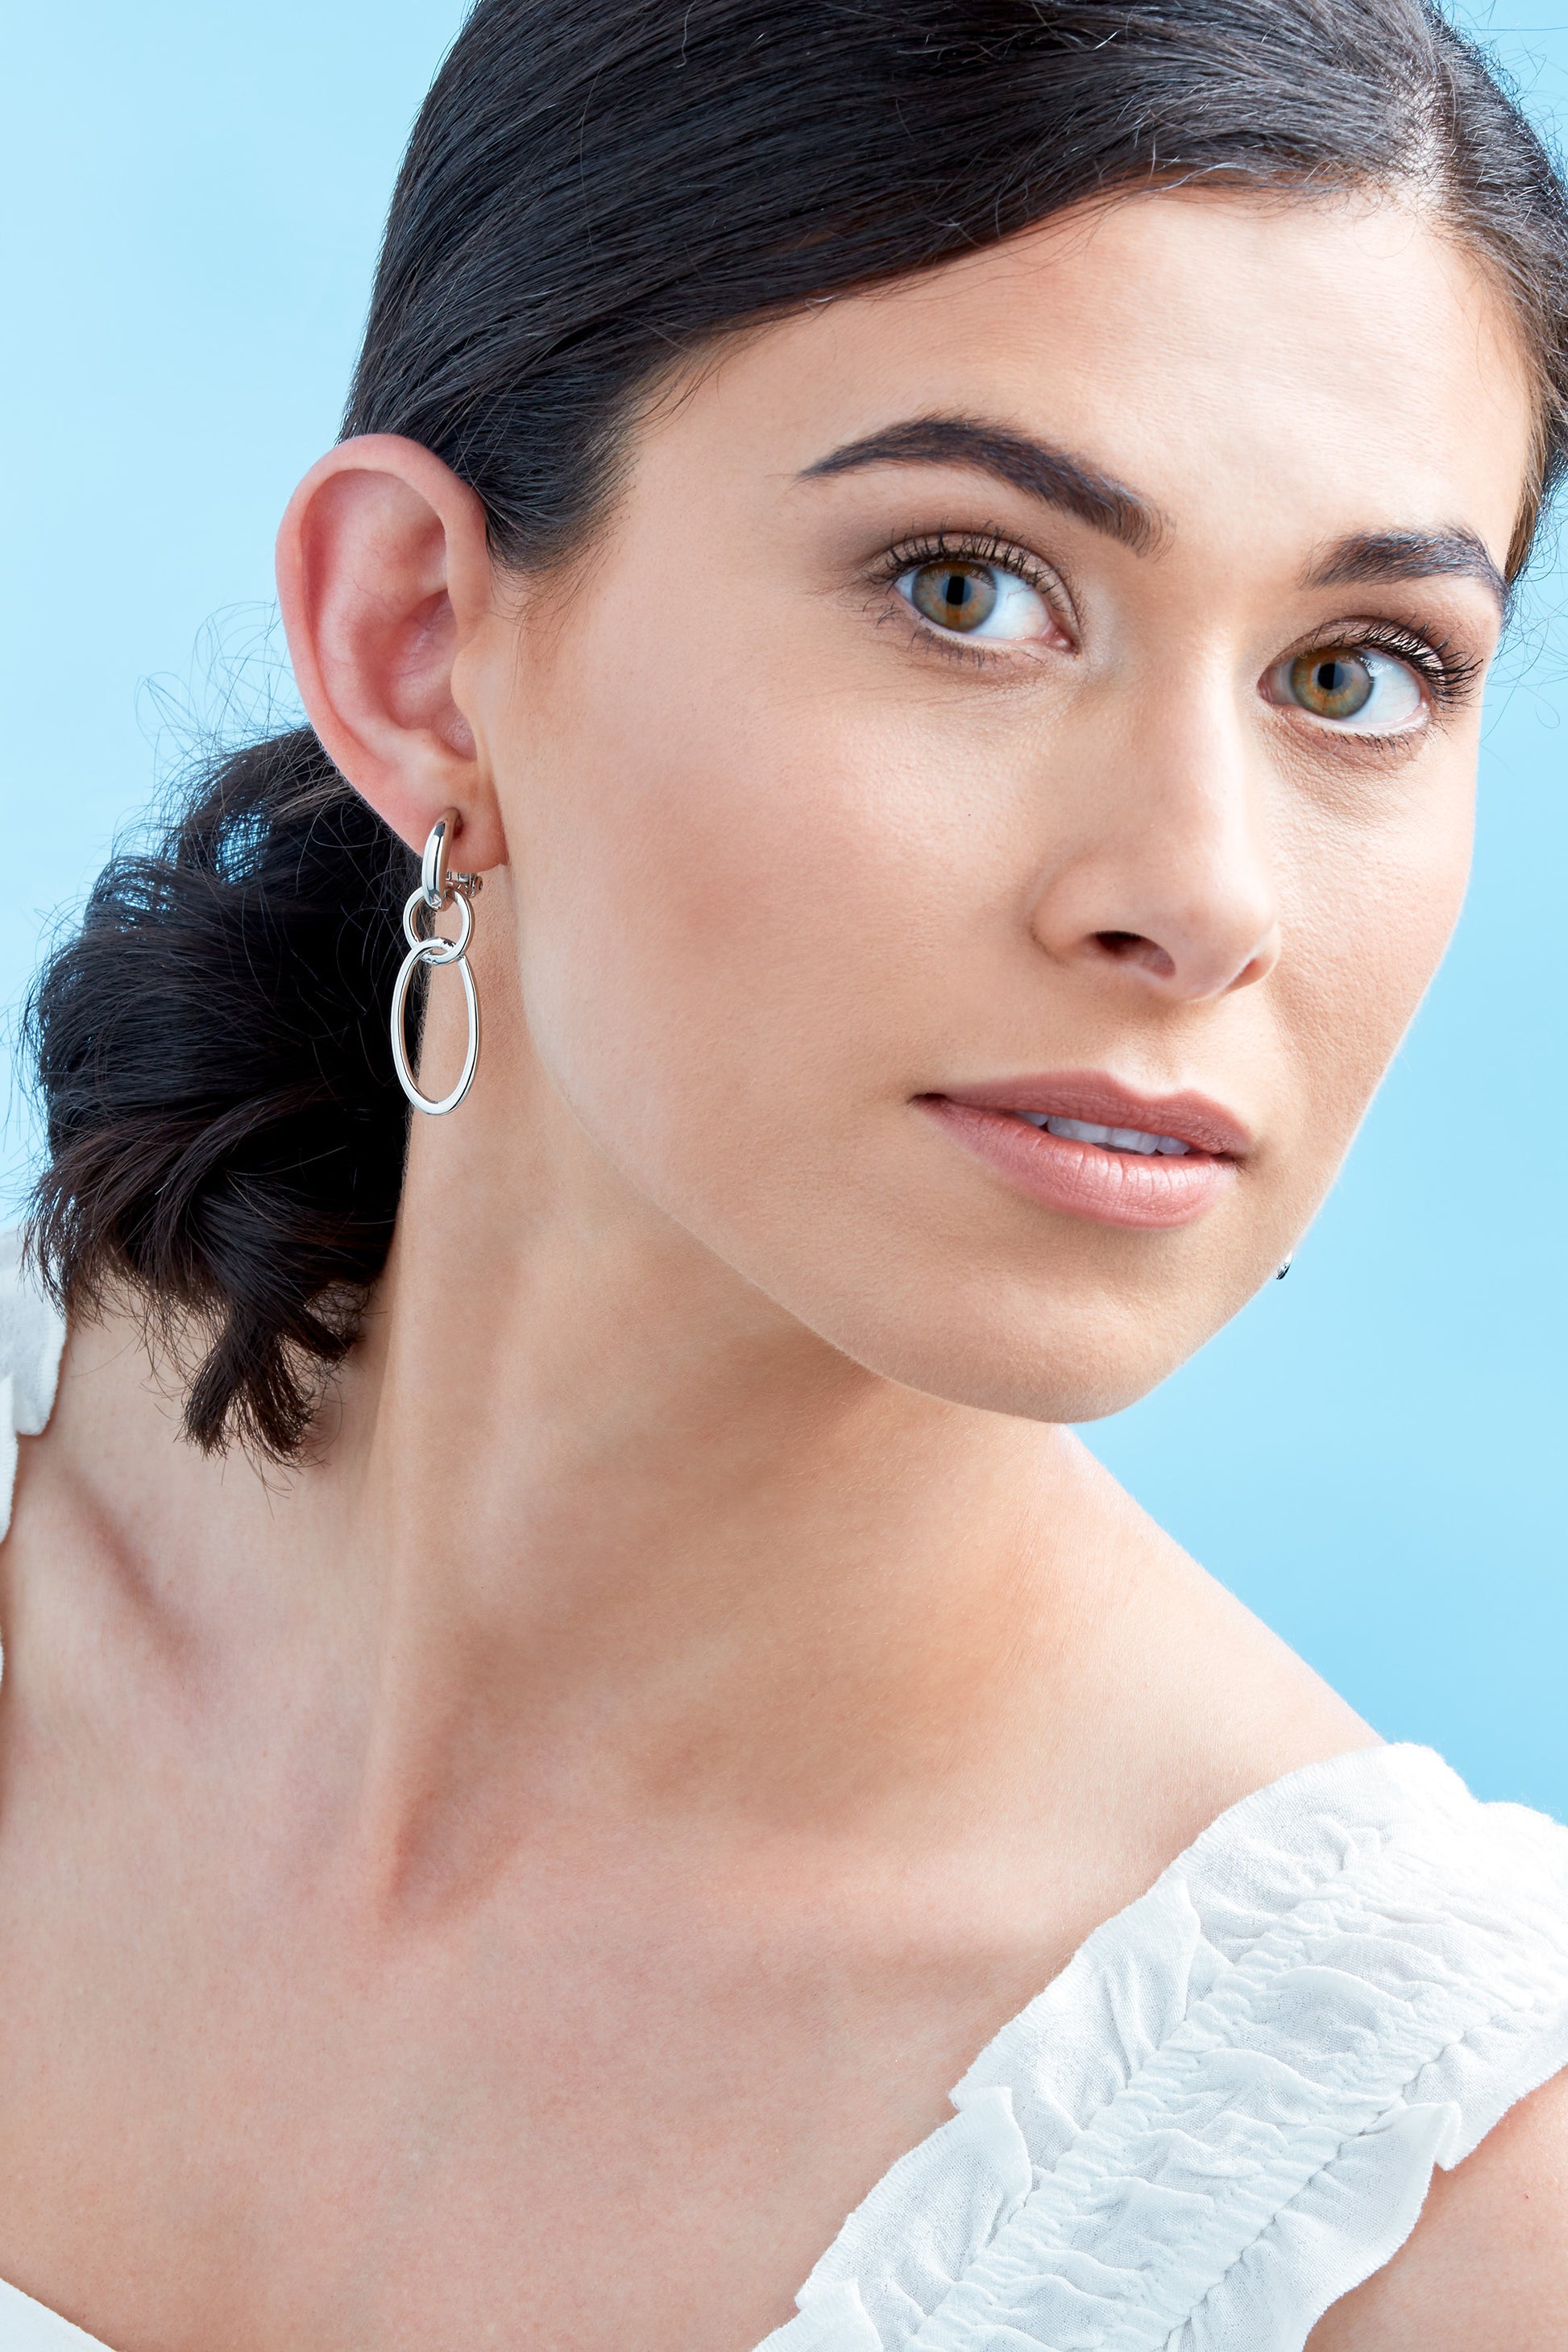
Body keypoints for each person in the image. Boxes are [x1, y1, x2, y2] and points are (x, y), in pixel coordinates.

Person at [2, 0, 1566, 2344]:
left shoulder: (1441, 2215)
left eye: (1357, 672)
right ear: (418, 647)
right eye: (967, 588)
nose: (1199, 896)